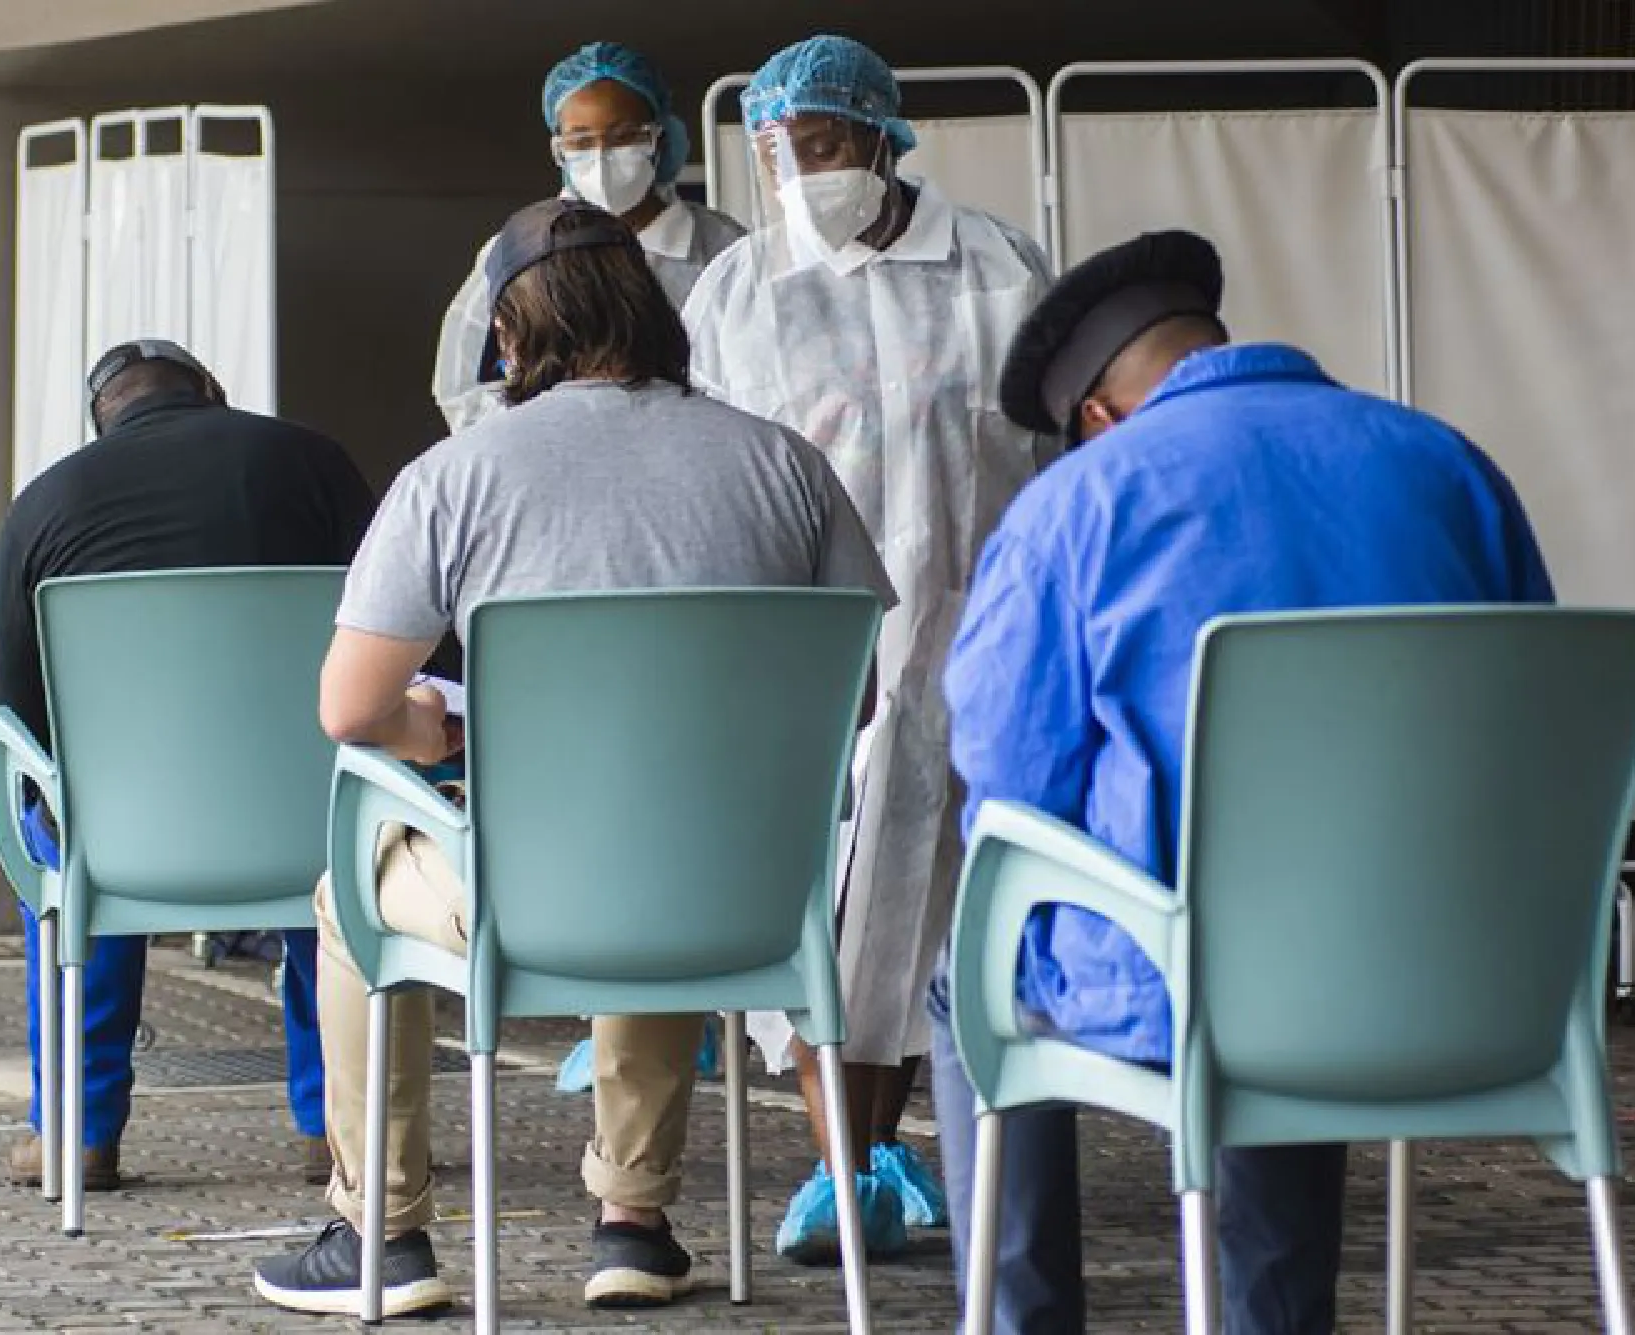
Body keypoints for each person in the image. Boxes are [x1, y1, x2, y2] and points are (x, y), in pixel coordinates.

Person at [252, 198, 896, 1318]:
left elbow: (349, 710)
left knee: (347, 893)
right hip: (743, 897)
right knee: (665, 824)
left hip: (531, 895)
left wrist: (443, 730)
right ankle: (635, 1224)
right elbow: (858, 693)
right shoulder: (785, 465)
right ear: (655, 312)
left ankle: (383, 1235)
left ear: (507, 337)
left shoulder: (455, 476)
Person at [935, 230, 1556, 1334]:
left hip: (1201, 990)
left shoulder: (1076, 508)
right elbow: (1535, 717)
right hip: (1458, 977)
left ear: (1095, 414)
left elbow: (1007, 785)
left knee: (965, 974)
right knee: (1290, 935)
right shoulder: (1450, 466)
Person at [681, 33, 1059, 1265]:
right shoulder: (740, 291)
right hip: (809, 641)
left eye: (824, 144)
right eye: (774, 150)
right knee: (822, 901)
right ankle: (846, 1163)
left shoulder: (995, 264)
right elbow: (715, 468)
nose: (798, 171)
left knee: (938, 905)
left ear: (885, 139)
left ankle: (895, 1150)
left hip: (969, 631)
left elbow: (1045, 446)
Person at [0, 339, 377, 1192]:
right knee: (347, 816)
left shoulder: (45, 503)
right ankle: (341, 1123)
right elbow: (397, 633)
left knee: (57, 822)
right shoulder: (315, 464)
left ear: (104, 420)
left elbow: (18, 712)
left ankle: (77, 1131)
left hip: (125, 840)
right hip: (305, 828)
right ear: (214, 393)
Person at [431, 40, 746, 433]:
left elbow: (764, 372)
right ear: (559, 150)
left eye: (623, 137)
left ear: (658, 138)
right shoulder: (522, 251)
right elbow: (464, 386)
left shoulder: (727, 250)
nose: (601, 157)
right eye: (580, 142)